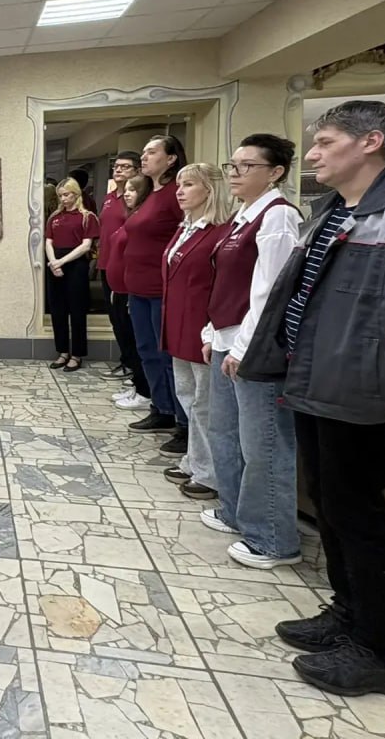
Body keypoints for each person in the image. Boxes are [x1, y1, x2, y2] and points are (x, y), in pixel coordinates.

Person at [241, 100, 385, 698]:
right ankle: (347, 614)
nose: (312, 153)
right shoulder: (336, 210)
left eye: (325, 141)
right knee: (330, 506)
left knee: (357, 514)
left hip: (355, 386)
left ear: (370, 142)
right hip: (311, 377)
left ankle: (380, 652)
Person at [203, 135, 304, 569]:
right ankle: (234, 511)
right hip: (226, 339)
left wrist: (243, 347)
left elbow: (270, 292)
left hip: (254, 348)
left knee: (263, 443)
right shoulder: (242, 216)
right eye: (232, 165)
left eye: (247, 166)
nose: (235, 173)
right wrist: (213, 330)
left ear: (275, 172)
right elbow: (226, 282)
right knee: (223, 432)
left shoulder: (278, 215)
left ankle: (273, 539)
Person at [160, 163, 230, 500]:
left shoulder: (220, 232)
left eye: (189, 184)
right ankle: (195, 459)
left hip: (202, 327)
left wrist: (212, 330)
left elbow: (223, 286)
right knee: (188, 397)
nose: (180, 191)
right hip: (178, 323)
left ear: (210, 189)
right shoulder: (186, 227)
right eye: (179, 185)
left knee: (205, 403)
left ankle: (210, 472)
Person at [122, 135, 188, 455]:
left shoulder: (177, 192)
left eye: (152, 152)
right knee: (147, 352)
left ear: (171, 158)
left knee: (167, 357)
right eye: (144, 152)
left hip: (162, 290)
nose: (144, 157)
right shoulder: (150, 193)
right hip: (138, 289)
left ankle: (183, 422)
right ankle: (161, 408)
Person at [45, 178, 100, 372]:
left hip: (76, 264)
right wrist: (54, 262)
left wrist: (62, 262)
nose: (63, 199)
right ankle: (62, 352)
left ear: (76, 194)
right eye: (60, 196)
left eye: (67, 195)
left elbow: (86, 245)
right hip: (55, 264)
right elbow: (48, 242)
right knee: (57, 311)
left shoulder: (87, 217)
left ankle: (76, 355)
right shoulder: (54, 217)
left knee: (77, 310)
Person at [109, 175, 153, 412]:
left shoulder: (142, 222)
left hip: (131, 291)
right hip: (120, 290)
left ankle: (145, 392)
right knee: (128, 342)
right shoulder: (131, 218)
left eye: (133, 190)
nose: (126, 193)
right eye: (125, 189)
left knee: (138, 344)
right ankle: (137, 385)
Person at [98, 152, 141, 382]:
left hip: (126, 268)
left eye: (125, 167)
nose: (118, 170)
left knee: (128, 320)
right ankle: (126, 362)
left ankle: (136, 369)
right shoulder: (109, 198)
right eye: (116, 166)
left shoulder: (136, 199)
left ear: (137, 171)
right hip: (107, 265)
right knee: (115, 319)